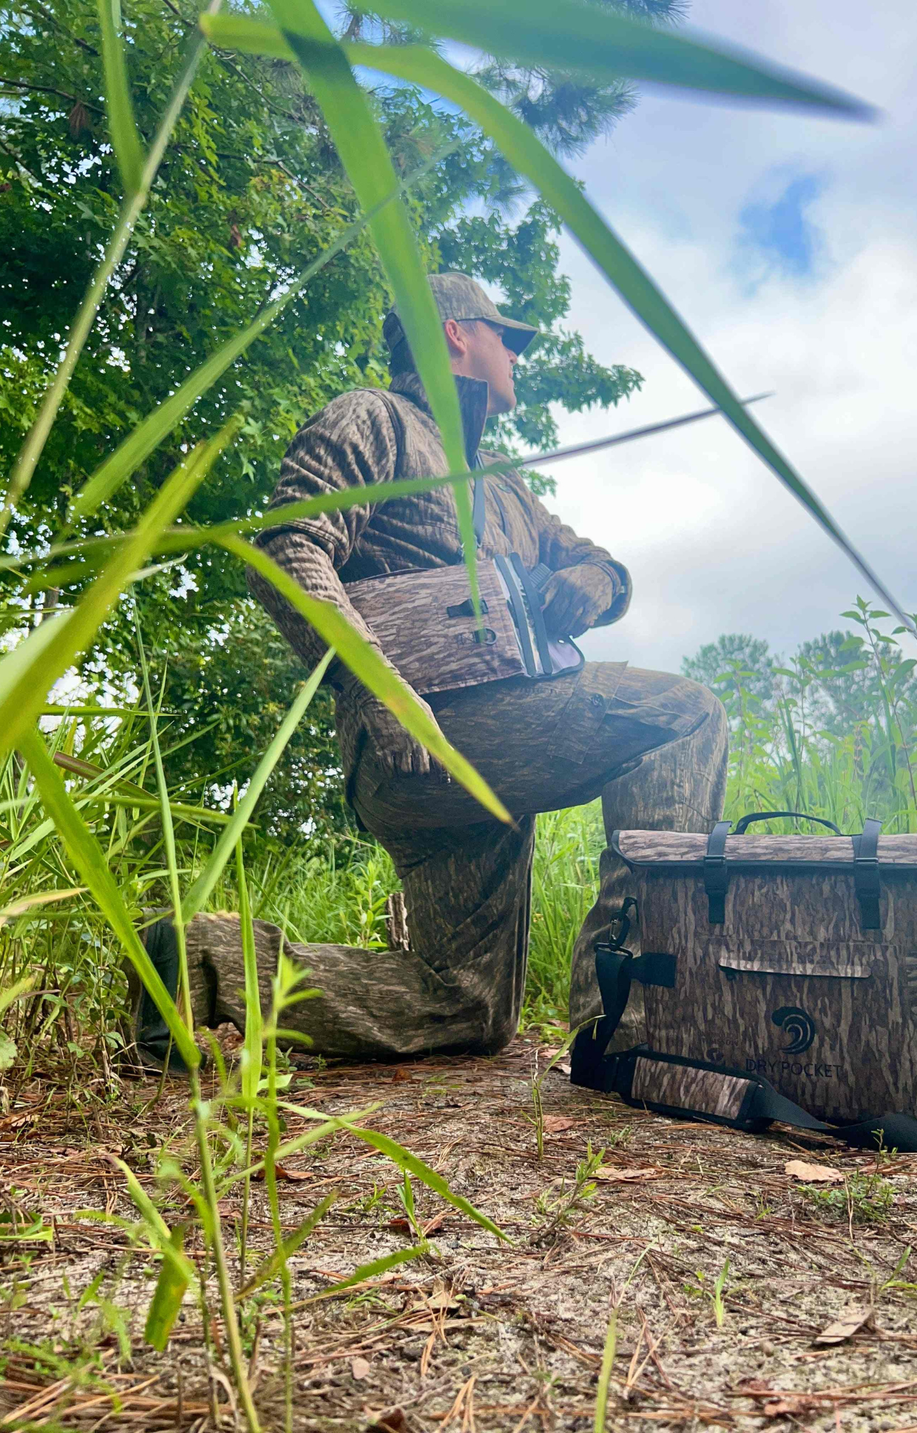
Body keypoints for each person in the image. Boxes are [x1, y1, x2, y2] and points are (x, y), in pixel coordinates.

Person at [133, 273, 727, 1073]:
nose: (517, 352)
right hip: (432, 729)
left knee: (467, 1003)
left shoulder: (507, 488)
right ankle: (631, 1015)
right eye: (505, 334)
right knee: (682, 716)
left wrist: (600, 582)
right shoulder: (375, 419)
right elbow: (286, 547)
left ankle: (204, 967)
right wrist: (383, 692)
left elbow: (593, 558)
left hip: (479, 758)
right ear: (455, 332)